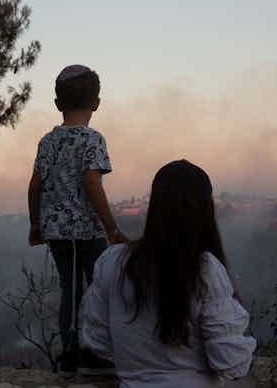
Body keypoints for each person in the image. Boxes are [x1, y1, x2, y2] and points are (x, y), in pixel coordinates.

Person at [80, 160, 256, 387]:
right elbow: (231, 363)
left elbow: (98, 343)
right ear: (204, 209)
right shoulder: (205, 269)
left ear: (155, 205)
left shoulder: (112, 262)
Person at [27, 64, 128, 374]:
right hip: (86, 230)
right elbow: (92, 182)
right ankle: (97, 352)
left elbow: (35, 185)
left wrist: (35, 225)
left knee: (71, 290)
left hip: (56, 232)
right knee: (102, 287)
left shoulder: (47, 141)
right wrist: (111, 226)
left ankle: (72, 352)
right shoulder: (93, 139)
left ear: (58, 104)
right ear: (96, 102)